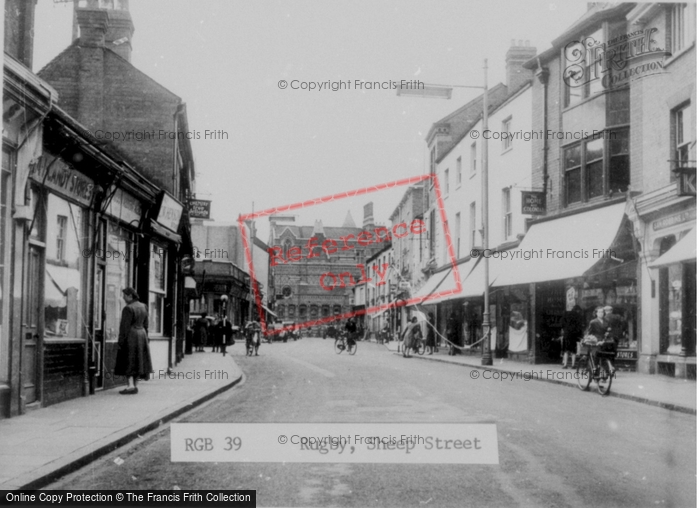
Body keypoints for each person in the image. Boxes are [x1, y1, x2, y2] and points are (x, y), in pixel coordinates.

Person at [114, 288, 152, 395]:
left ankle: (130, 386)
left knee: (129, 360)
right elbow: (146, 324)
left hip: (131, 335)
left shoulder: (128, 308)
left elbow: (124, 328)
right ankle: (135, 385)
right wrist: (146, 337)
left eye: (125, 296)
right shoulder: (144, 306)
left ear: (130, 296)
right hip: (142, 334)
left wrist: (120, 342)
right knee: (139, 360)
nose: (123, 298)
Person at [561, 305, 583, 369]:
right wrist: (580, 335)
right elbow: (579, 327)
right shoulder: (578, 316)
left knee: (566, 350)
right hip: (574, 335)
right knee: (573, 351)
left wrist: (564, 330)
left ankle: (565, 364)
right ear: (577, 310)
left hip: (566, 334)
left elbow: (562, 324)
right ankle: (573, 365)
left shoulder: (565, 314)